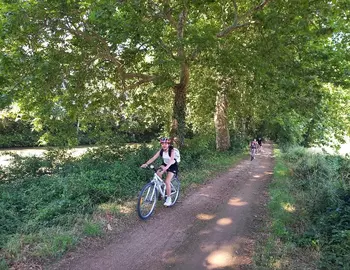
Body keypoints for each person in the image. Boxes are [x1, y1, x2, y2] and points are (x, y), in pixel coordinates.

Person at [141, 137, 178, 206]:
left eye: (166, 143)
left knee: (167, 181)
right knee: (157, 174)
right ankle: (162, 188)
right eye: (162, 143)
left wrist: (166, 168)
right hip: (165, 164)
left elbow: (172, 160)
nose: (164, 145)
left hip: (172, 165)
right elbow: (153, 158)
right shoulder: (161, 151)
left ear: (168, 144)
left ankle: (169, 199)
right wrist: (146, 164)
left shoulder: (171, 150)